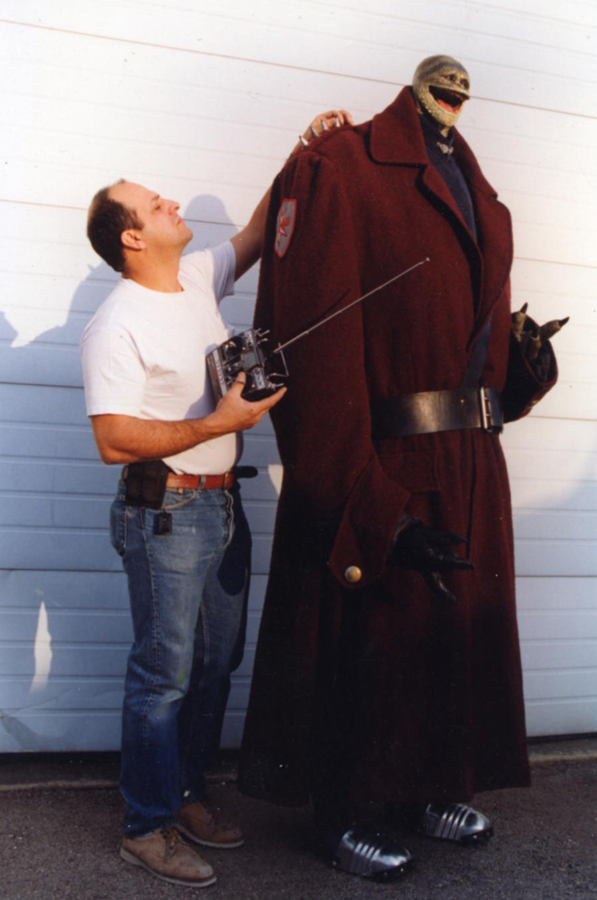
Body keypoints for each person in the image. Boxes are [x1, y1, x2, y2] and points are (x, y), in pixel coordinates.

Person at [238, 57, 567, 880]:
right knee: (364, 633)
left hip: (466, 458)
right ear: (416, 90)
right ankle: (340, 810)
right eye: (441, 86)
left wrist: (517, 371)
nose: (454, 96)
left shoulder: (477, 189)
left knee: (445, 636)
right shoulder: (339, 166)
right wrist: (360, 493)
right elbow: (309, 347)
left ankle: (424, 789)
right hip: (380, 455)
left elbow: (467, 331)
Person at [80, 109, 352, 890]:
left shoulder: (197, 275)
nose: (172, 204)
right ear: (131, 238)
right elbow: (112, 439)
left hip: (220, 510)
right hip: (162, 513)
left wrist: (301, 151)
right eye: (154, 204)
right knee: (162, 674)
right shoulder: (115, 324)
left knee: (214, 664)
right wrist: (218, 421)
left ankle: (187, 793)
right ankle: (145, 825)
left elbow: (263, 230)